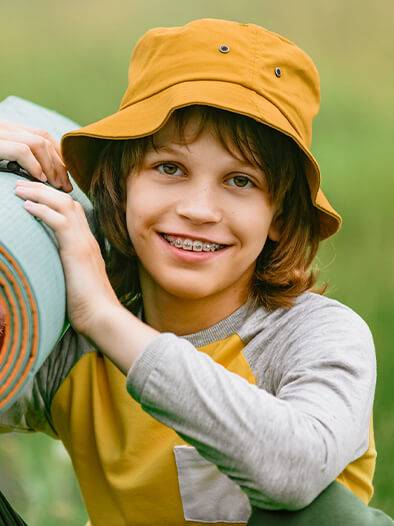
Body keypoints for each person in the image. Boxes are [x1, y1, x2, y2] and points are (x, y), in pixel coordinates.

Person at [0, 18, 391, 526]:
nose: (199, 208)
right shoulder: (70, 353)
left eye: (240, 180)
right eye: (170, 169)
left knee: (335, 518)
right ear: (121, 183)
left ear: (279, 216)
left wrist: (105, 318)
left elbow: (295, 469)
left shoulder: (316, 335)